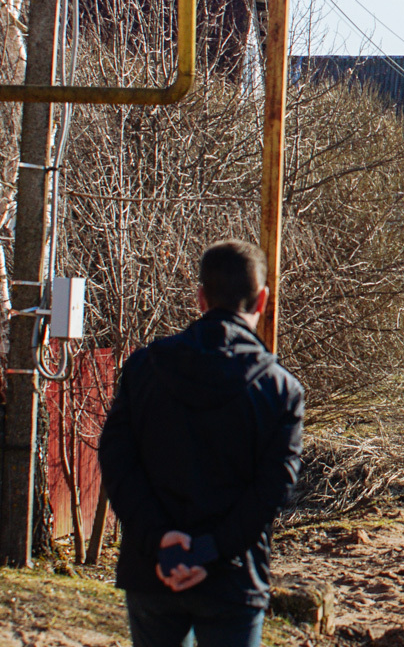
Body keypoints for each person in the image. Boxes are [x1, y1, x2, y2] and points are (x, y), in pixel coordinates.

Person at [99, 240, 305, 647]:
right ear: (262, 299)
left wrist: (159, 538)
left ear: (200, 298)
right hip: (233, 576)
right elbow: (273, 489)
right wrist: (209, 550)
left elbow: (116, 459)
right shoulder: (281, 389)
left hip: (152, 571)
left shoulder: (144, 366)